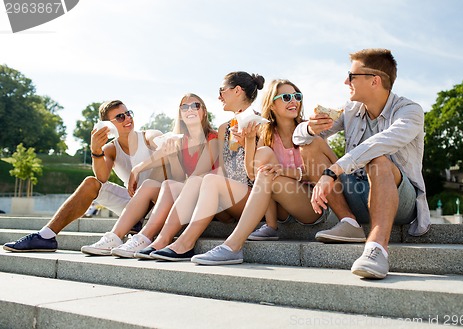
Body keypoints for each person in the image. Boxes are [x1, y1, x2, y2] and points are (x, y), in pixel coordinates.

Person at [292, 48, 431, 279]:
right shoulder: (350, 110)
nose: (346, 81)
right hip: (356, 194)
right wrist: (309, 128)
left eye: (352, 76)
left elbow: (379, 144)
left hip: (400, 202)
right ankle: (349, 222)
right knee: (310, 145)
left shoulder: (410, 111)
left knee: (378, 160)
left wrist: (332, 171)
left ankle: (376, 249)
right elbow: (299, 138)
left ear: (374, 80)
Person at [191, 79, 334, 265]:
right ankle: (268, 227)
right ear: (272, 105)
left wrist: (288, 172)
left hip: (311, 204)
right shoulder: (268, 133)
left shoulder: (309, 130)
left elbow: (332, 168)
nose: (294, 101)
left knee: (268, 171)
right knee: (265, 157)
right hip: (281, 206)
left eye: (297, 96)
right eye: (286, 97)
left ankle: (232, 246)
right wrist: (249, 140)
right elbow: (252, 173)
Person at [134, 71, 266, 261]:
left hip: (252, 197)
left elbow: (257, 171)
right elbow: (221, 168)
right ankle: (162, 240)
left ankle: (185, 244)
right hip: (225, 198)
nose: (219, 96)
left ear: (237, 91)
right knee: (199, 179)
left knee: (208, 179)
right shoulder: (224, 128)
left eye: (222, 90)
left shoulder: (260, 123)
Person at [3, 100, 164, 252]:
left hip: (160, 201)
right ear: (108, 126)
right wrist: (96, 150)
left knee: (149, 183)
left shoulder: (148, 136)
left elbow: (164, 150)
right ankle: (46, 236)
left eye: (128, 113)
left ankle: (136, 224)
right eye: (120, 116)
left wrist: (138, 168)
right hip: (133, 205)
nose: (127, 118)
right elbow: (101, 178)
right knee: (91, 183)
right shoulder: (110, 149)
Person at [80, 93, 219, 257]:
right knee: (150, 185)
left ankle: (145, 237)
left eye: (195, 106)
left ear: (204, 111)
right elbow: (178, 176)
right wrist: (164, 159)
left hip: (208, 199)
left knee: (172, 184)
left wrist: (139, 167)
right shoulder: (182, 140)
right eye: (184, 107)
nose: (190, 110)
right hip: (188, 194)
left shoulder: (213, 138)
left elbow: (196, 178)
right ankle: (116, 237)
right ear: (180, 113)